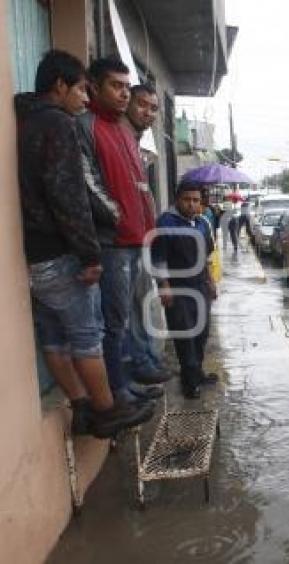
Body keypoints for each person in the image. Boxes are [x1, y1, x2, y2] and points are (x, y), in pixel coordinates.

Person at [16, 50, 152, 437]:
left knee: (55, 335)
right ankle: (107, 410)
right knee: (88, 335)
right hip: (61, 252)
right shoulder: (62, 125)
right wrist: (90, 253)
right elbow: (69, 196)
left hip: (36, 253)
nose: (84, 97)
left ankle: (81, 407)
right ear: (60, 86)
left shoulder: (29, 120)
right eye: (80, 89)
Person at [77, 57, 160, 405]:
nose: (124, 94)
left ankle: (126, 381)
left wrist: (145, 224)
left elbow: (138, 185)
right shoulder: (85, 126)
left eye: (127, 86)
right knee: (114, 321)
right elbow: (87, 181)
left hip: (133, 240)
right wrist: (120, 217)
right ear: (94, 87)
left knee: (125, 317)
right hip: (111, 242)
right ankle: (118, 390)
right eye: (116, 85)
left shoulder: (123, 132)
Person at [152, 183, 218, 399]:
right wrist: (164, 287)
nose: (192, 204)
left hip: (200, 287)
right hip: (178, 289)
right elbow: (159, 258)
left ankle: (197, 373)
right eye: (187, 199)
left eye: (196, 200)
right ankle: (189, 383)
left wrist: (211, 282)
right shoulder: (165, 223)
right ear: (177, 200)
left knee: (201, 333)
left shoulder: (201, 223)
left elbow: (206, 257)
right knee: (185, 336)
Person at [121, 82, 166, 386]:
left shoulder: (136, 144)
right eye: (142, 104)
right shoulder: (116, 137)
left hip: (140, 239)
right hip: (121, 240)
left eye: (153, 108)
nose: (147, 112)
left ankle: (147, 360)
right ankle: (138, 366)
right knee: (126, 312)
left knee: (141, 305)